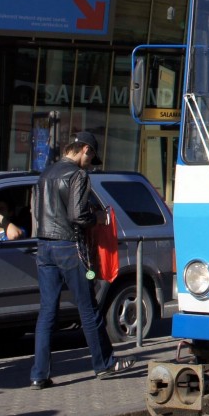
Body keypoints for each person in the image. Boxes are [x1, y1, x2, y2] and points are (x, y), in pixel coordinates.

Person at [30, 132, 136, 389]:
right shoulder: (77, 175)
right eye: (91, 157)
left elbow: (36, 211)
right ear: (85, 150)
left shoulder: (46, 174)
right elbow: (78, 215)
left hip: (44, 247)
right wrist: (97, 218)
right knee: (88, 308)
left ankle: (38, 374)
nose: (90, 163)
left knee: (47, 313)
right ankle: (104, 364)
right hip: (70, 247)